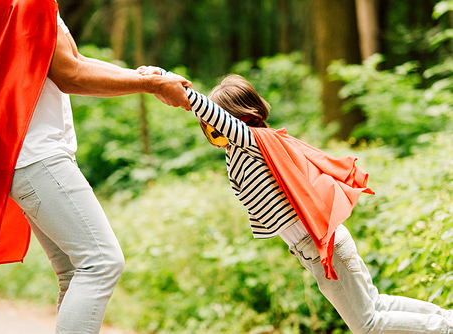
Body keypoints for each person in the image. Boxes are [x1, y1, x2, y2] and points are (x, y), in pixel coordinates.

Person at [144, 70, 453, 333]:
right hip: (314, 245)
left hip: (320, 244)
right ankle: (447, 321)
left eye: (217, 125)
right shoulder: (242, 149)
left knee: (367, 324)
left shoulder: (253, 140)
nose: (213, 132)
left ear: (236, 118)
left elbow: (219, 119)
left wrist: (180, 91)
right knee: (376, 305)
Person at [0, 1, 190, 333]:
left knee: (74, 272)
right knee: (101, 263)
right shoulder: (28, 3)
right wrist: (149, 85)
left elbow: (73, 60)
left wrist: (138, 76)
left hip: (21, 154)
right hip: (37, 155)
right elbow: (70, 74)